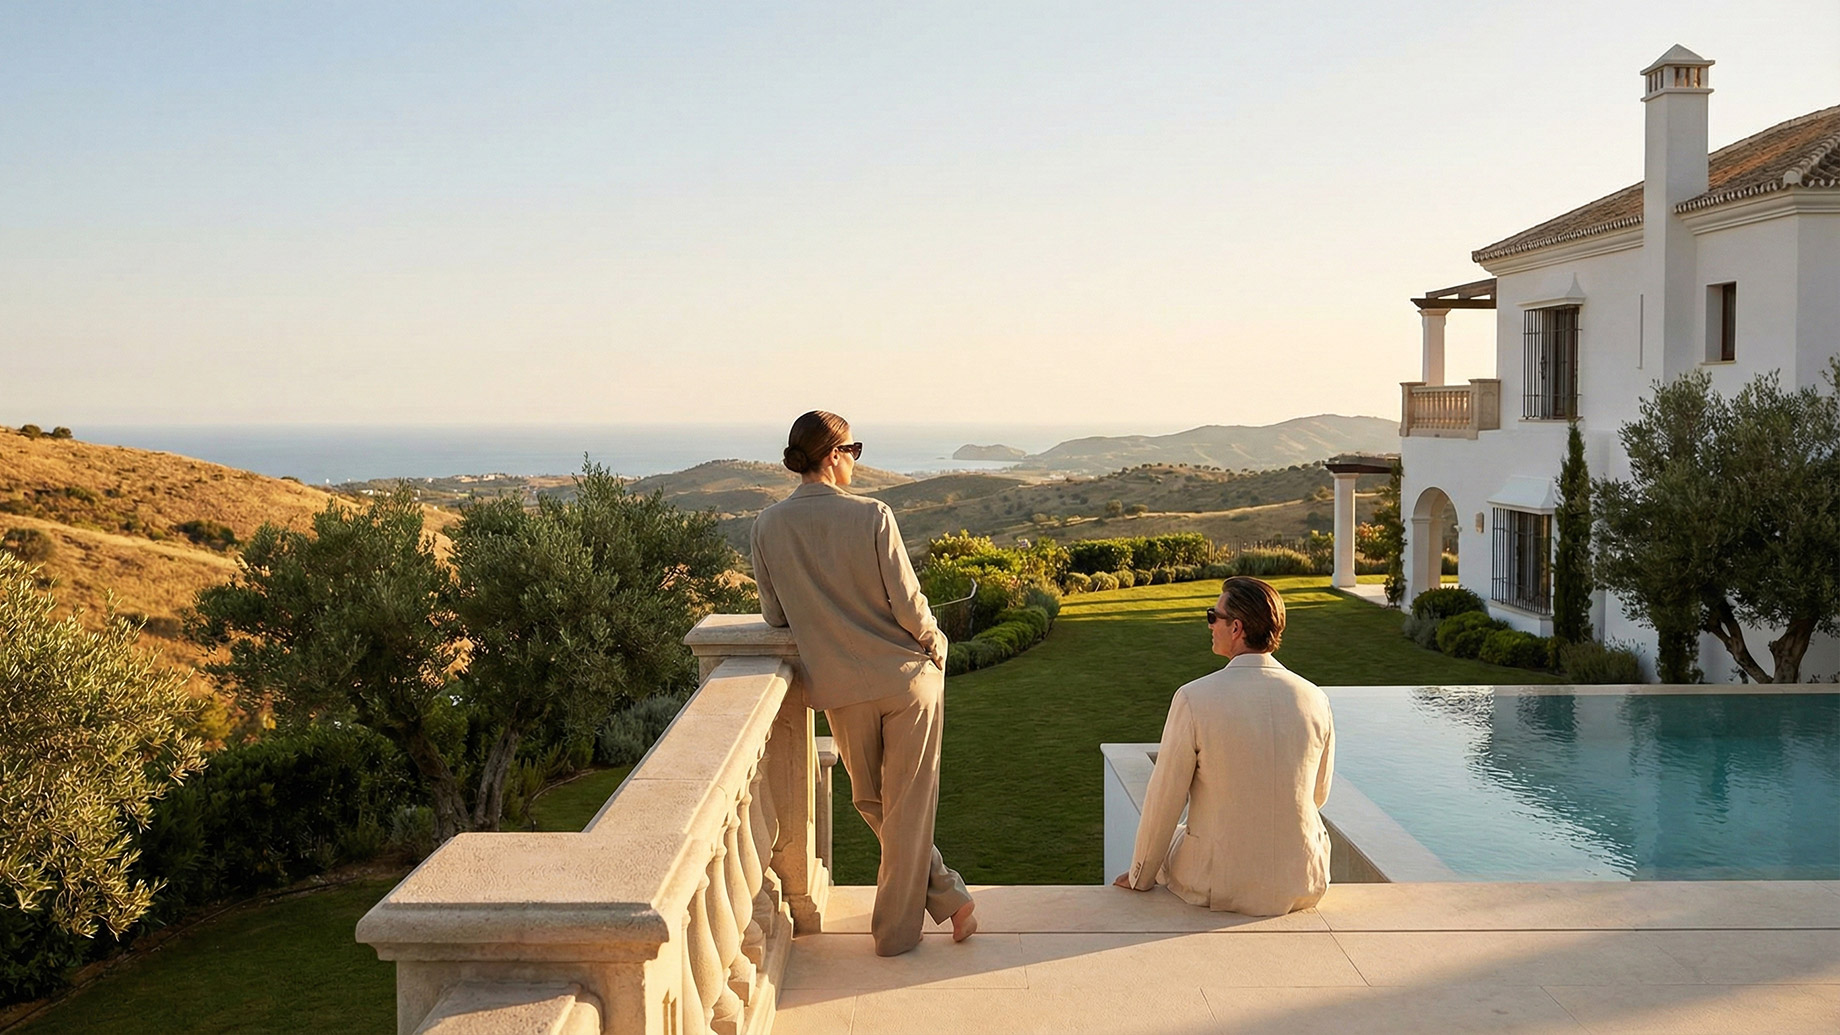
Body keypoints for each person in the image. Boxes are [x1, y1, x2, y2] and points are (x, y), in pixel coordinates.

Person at [750, 410, 977, 956]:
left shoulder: (766, 527)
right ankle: (929, 913)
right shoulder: (873, 515)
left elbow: (775, 616)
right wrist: (935, 639)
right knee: (904, 805)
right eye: (852, 450)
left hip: (841, 688)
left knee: (874, 800)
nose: (856, 459)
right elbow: (907, 601)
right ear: (832, 456)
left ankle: (921, 917)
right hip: (906, 679)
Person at [1113, 576, 1334, 916]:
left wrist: (1141, 875)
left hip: (1221, 881)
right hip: (1303, 879)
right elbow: (1318, 794)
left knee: (1181, 835)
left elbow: (1165, 799)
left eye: (1212, 616)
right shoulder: (1315, 698)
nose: (1210, 625)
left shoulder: (1194, 698)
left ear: (1236, 628)